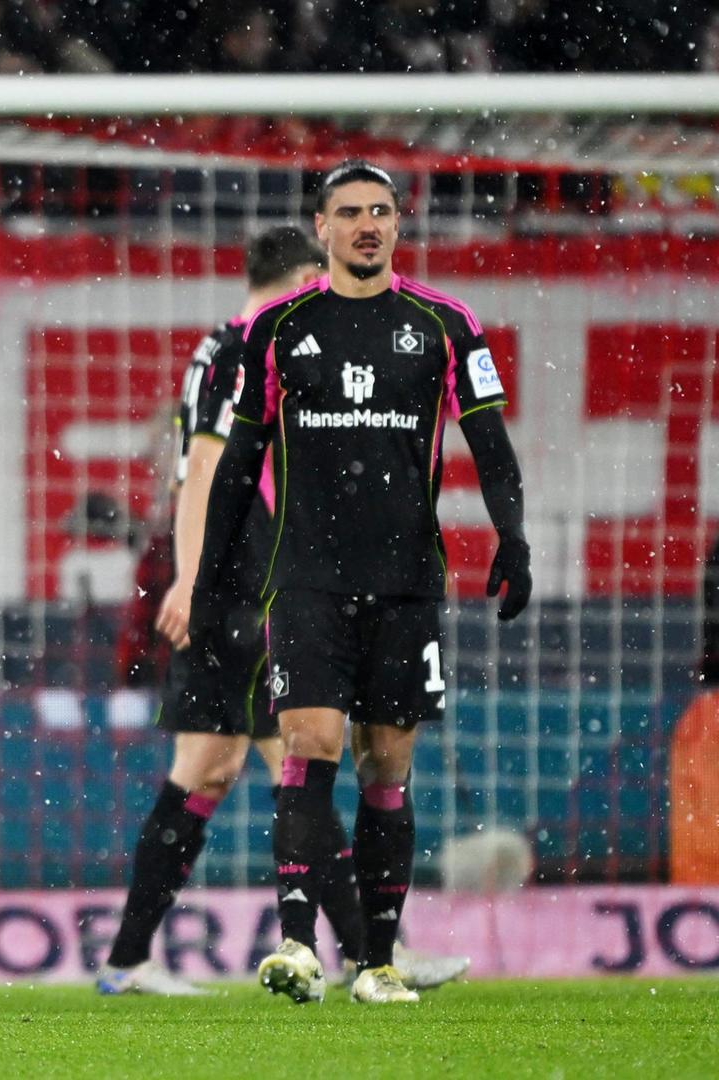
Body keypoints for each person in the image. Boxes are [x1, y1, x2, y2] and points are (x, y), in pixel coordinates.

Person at [97, 226, 468, 996]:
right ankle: (373, 953)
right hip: (246, 590)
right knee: (295, 761)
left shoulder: (227, 348)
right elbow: (200, 471)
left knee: (219, 764)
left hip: (243, 584)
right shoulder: (251, 347)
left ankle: (130, 958)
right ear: (303, 275)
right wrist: (192, 580)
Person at [194, 161, 531, 1005]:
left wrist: (514, 537)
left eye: (380, 210)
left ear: (397, 223)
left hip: (406, 580)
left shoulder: (445, 325)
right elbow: (239, 460)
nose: (367, 224)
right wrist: (206, 576)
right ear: (322, 228)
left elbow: (488, 438)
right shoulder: (276, 327)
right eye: (350, 212)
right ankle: (300, 944)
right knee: (309, 743)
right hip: (305, 578)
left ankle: (376, 963)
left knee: (388, 763)